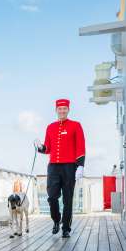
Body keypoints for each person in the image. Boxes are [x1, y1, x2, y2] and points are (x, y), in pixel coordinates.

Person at [34, 98, 85, 238]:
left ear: (68, 110)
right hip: (53, 167)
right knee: (51, 197)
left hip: (69, 166)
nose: (62, 111)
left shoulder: (76, 125)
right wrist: (40, 147)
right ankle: (56, 220)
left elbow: (80, 146)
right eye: (59, 109)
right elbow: (48, 148)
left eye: (64, 109)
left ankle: (66, 228)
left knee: (68, 199)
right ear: (56, 110)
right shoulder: (50, 127)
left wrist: (80, 166)